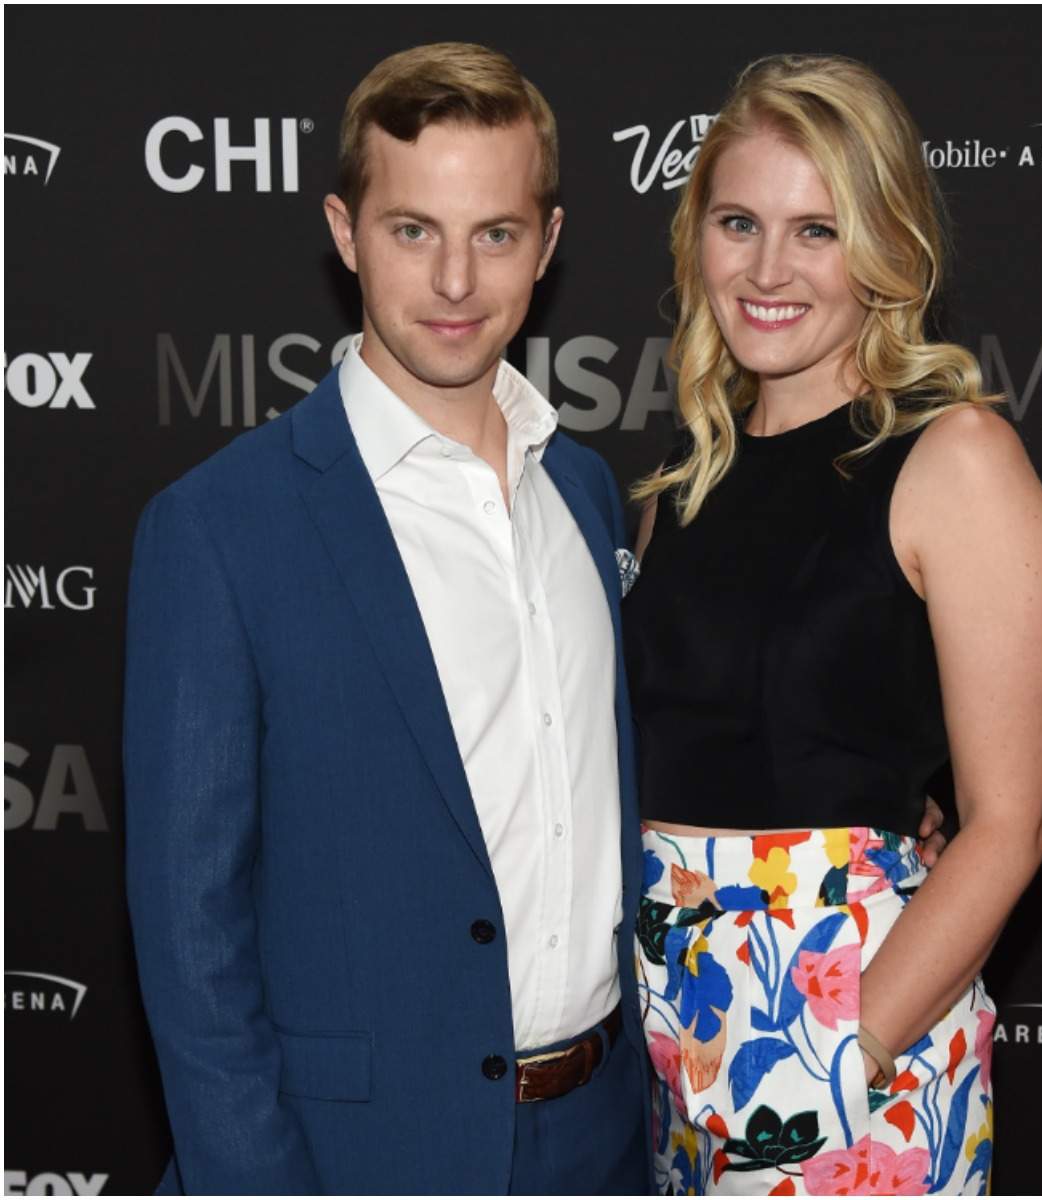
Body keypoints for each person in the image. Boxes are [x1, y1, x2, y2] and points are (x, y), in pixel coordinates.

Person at [123, 43, 654, 1196]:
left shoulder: (586, 490)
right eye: (414, 229)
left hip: (608, 1140)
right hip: (354, 1158)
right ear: (344, 229)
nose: (456, 281)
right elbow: (188, 941)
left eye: (496, 234)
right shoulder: (220, 527)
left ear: (550, 242)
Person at [622, 55, 1042, 1196]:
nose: (769, 269)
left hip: (837, 1031)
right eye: (739, 222)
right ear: (697, 238)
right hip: (665, 1033)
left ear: (886, 248)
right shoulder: (677, 485)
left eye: (817, 230)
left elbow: (1010, 824)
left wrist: (847, 1050)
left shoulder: (954, 460)